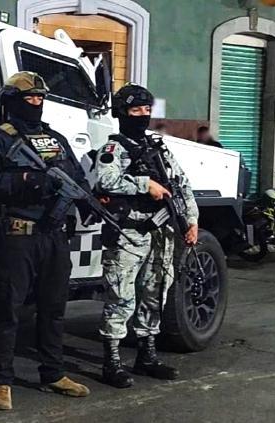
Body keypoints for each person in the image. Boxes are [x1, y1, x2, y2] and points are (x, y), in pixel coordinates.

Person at [0, 71, 92, 411]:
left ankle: (53, 372)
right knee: (7, 311)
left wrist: (84, 199)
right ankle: (1, 382)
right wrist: (24, 181)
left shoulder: (55, 138)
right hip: (18, 234)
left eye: (41, 98)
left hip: (54, 234)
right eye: (30, 98)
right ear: (13, 101)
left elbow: (76, 175)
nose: (37, 103)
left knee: (54, 309)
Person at [94, 84, 199, 389]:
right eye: (135, 110)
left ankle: (147, 355)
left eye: (146, 110)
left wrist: (191, 220)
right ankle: (112, 362)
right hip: (129, 232)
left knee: (155, 292)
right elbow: (105, 181)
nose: (142, 115)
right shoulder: (114, 149)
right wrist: (144, 185)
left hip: (161, 233)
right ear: (121, 114)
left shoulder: (159, 149)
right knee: (121, 296)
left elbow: (181, 184)